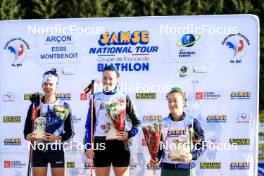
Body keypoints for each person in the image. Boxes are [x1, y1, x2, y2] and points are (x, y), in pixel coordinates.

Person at [84, 65, 140, 176]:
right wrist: (88, 146)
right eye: (104, 78)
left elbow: (137, 122)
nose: (107, 81)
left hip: (119, 144)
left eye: (111, 79)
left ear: (117, 80)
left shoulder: (124, 97)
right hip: (100, 144)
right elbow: (89, 125)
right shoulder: (95, 98)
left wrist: (129, 134)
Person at [24, 68, 74, 176]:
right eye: (45, 84)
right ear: (42, 85)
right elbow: (26, 130)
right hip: (38, 149)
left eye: (51, 84)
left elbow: (70, 133)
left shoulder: (64, 106)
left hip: (56, 149)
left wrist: (58, 138)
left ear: (56, 86)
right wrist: (29, 136)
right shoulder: (34, 106)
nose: (48, 87)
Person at [158, 87, 205, 176]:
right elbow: (160, 146)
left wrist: (192, 156)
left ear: (183, 103)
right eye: (169, 101)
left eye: (175, 100)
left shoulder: (192, 122)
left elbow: (202, 145)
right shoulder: (163, 123)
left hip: (186, 169)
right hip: (167, 170)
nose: (172, 103)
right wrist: (156, 158)